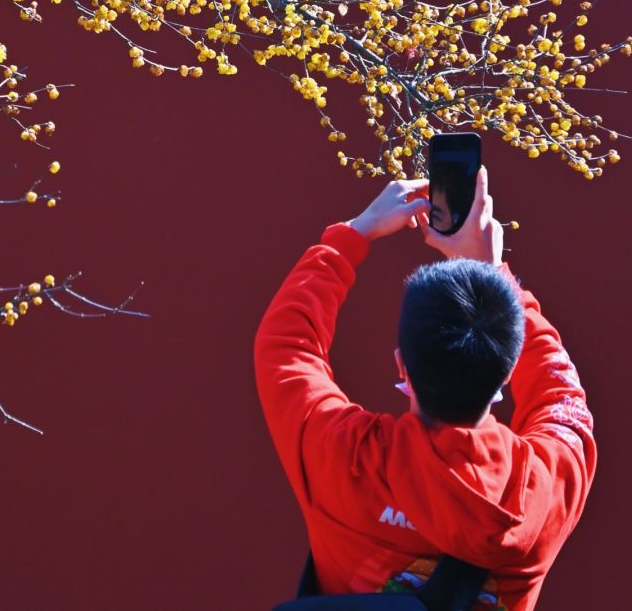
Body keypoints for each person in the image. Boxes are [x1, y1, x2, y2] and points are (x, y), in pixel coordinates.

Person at [254, 167, 595, 610]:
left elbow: (285, 347)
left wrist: (355, 234)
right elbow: (562, 394)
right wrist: (495, 278)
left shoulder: (347, 459)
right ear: (508, 373)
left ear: (402, 366)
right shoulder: (546, 487)